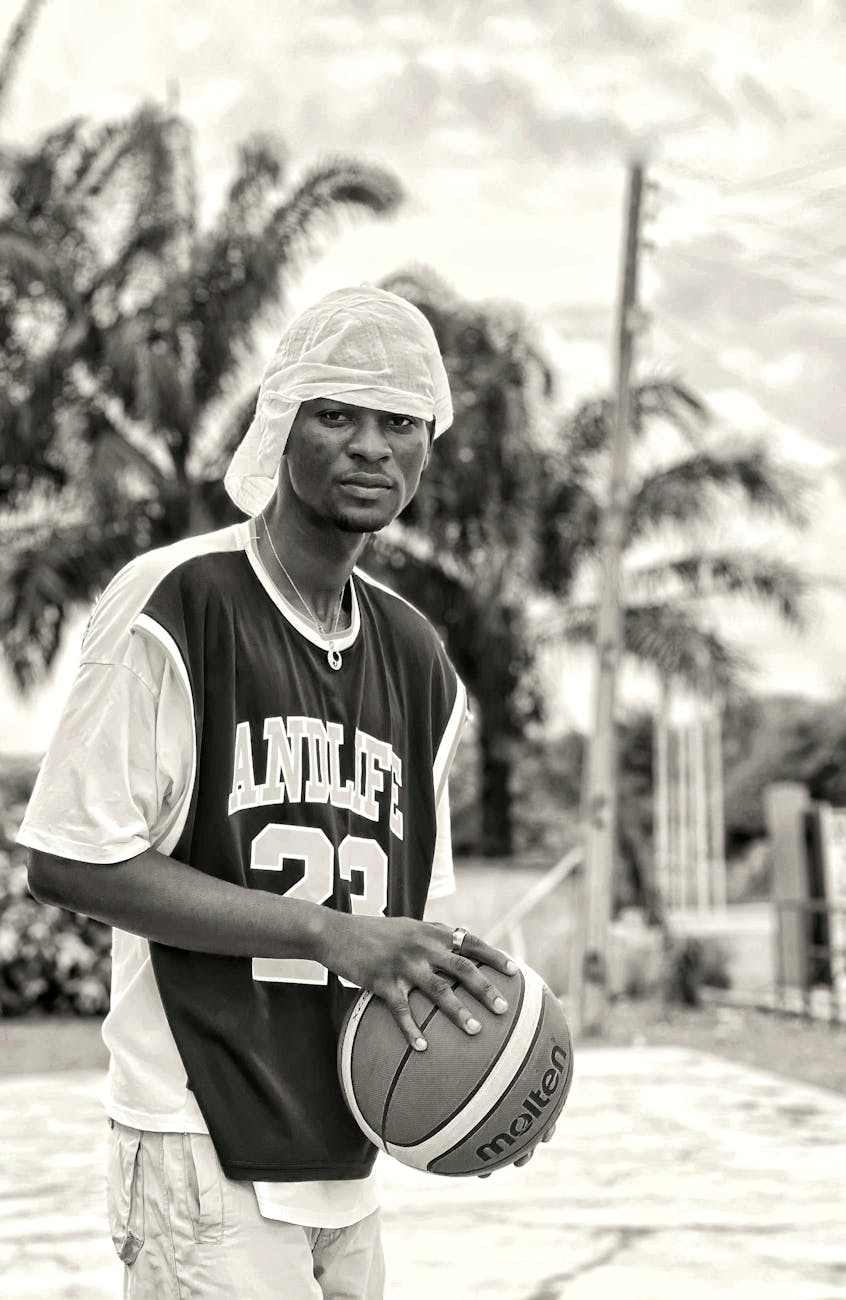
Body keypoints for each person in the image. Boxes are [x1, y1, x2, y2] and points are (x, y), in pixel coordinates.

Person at [18, 285, 542, 1299]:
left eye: (399, 421)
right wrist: (323, 935)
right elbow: (69, 856)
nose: (370, 445)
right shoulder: (177, 601)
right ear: (279, 422)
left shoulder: (420, 660)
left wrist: (489, 1090)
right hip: (199, 1127)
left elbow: (401, 934)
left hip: (343, 1141)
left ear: (427, 449)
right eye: (336, 413)